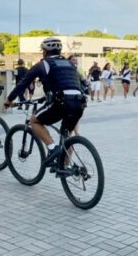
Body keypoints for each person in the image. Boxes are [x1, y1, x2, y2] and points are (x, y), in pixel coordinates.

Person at [5, 38, 86, 168]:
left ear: (45, 51)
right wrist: (45, 98)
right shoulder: (69, 64)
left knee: (35, 121)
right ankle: (64, 167)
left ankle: (52, 148)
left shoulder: (43, 64)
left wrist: (9, 99)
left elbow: (23, 83)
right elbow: (66, 83)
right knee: (65, 137)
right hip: (79, 103)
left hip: (61, 102)